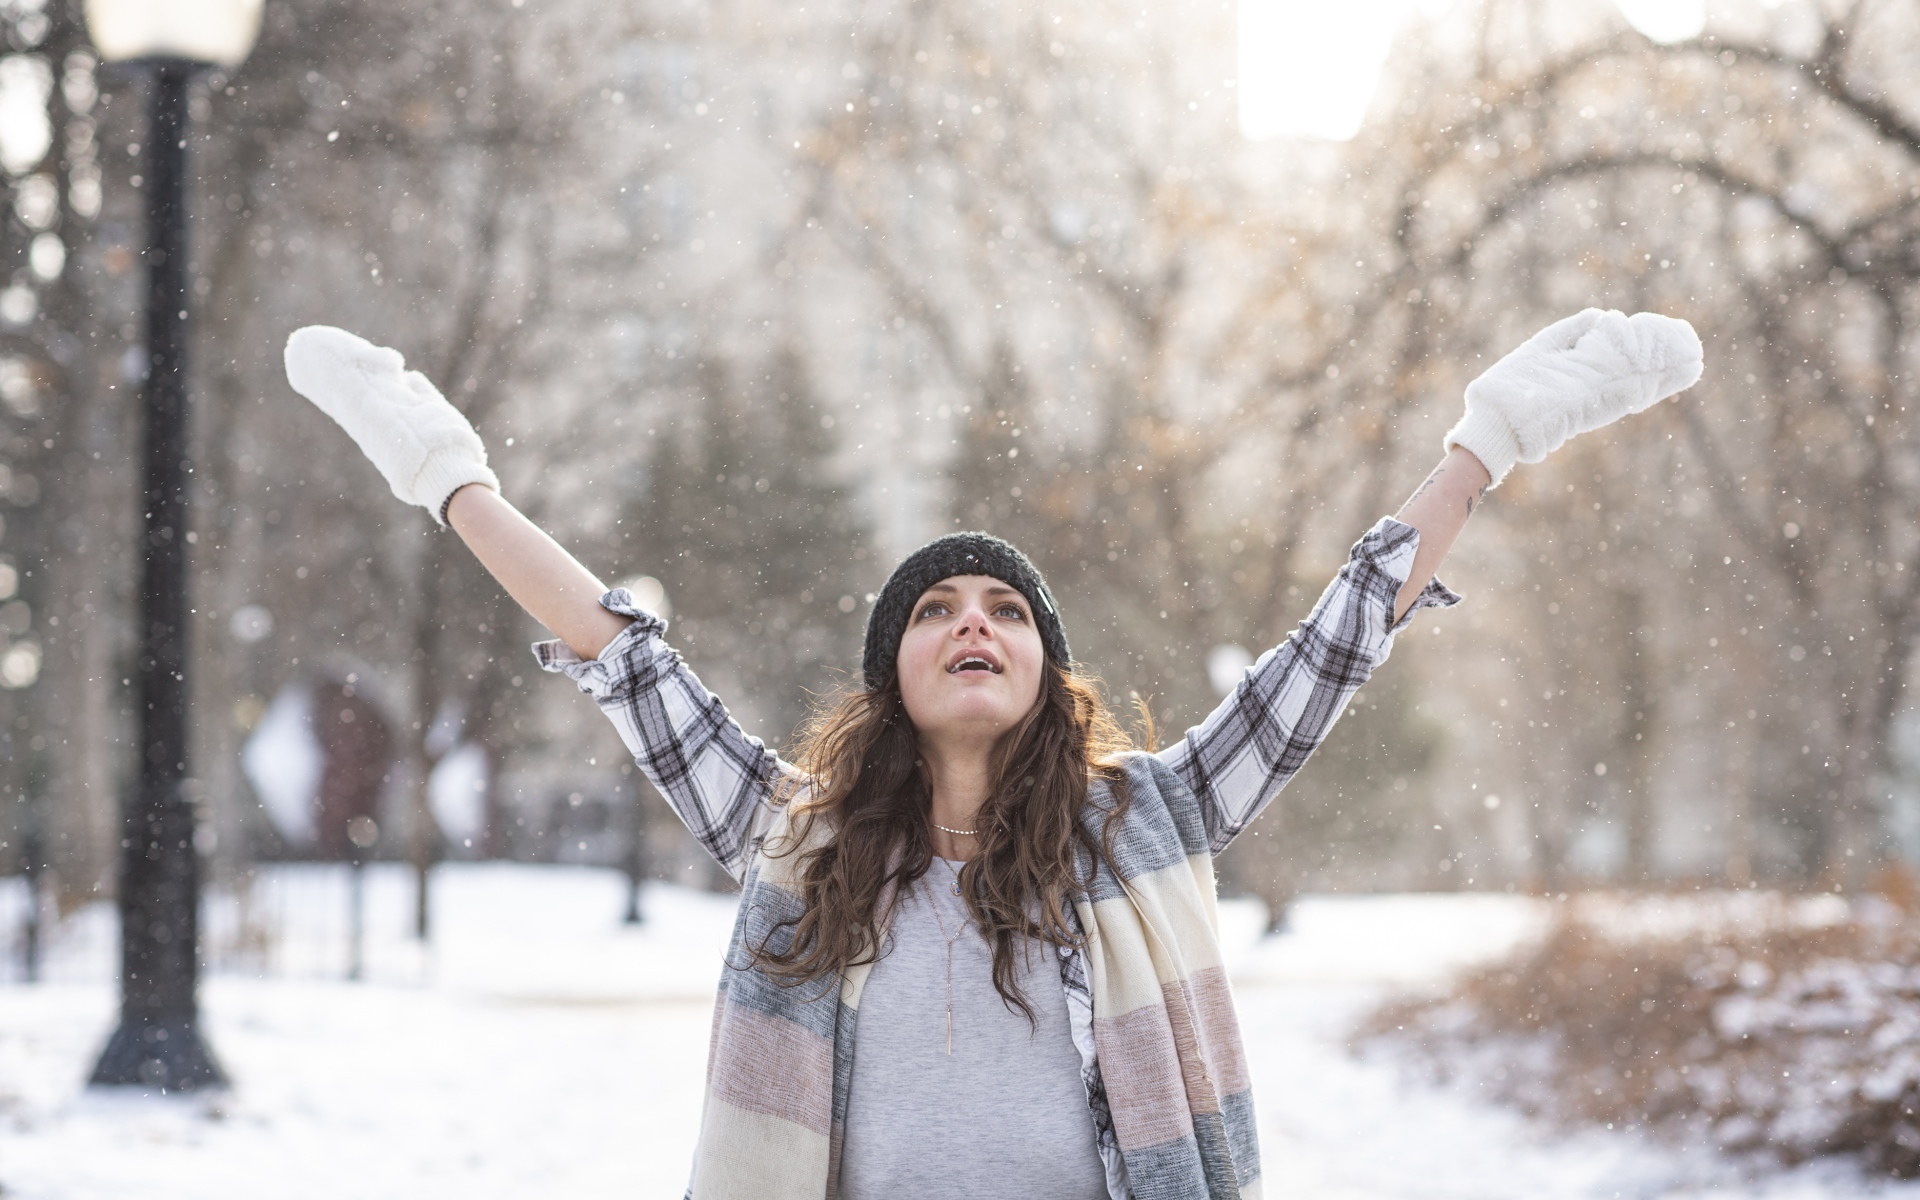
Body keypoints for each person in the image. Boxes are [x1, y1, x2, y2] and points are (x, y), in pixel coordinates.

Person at [283, 307, 1702, 1200]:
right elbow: (623, 657)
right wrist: (448, 475)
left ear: (1044, 670)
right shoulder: (800, 838)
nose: (973, 621)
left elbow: (1331, 649)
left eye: (1006, 609)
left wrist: (1483, 446)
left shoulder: (1147, 819)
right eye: (937, 611)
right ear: (893, 676)